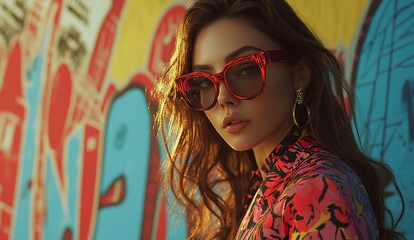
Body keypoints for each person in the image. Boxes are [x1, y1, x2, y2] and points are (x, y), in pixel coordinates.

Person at [153, 0, 405, 239]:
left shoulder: (317, 190)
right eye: (203, 82)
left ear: (300, 75)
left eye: (246, 69)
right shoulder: (266, 188)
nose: (223, 97)